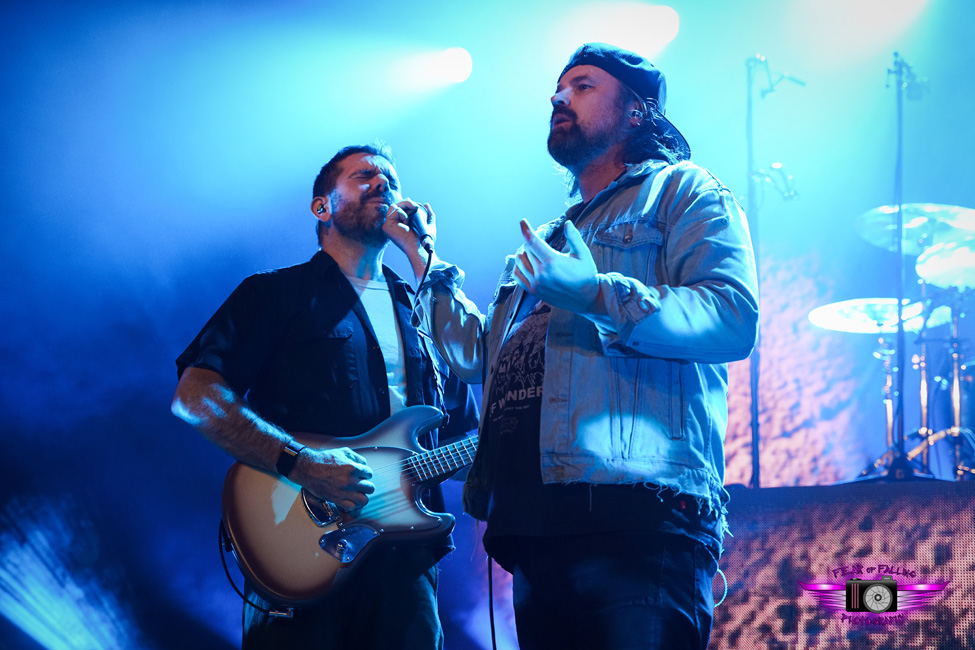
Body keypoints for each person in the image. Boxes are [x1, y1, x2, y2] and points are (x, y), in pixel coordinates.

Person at [386, 43, 759, 649]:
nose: (560, 97)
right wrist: (423, 259)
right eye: (557, 90)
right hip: (536, 528)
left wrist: (593, 293)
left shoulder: (682, 191)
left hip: (636, 521)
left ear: (636, 112)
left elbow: (731, 317)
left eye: (582, 86)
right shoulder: (556, 236)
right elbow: (481, 358)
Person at [171, 143, 478, 650]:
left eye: (392, 182)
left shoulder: (427, 310)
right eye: (365, 176)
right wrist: (300, 463)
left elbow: (466, 441)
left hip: (406, 559)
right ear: (322, 207)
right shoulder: (274, 294)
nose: (384, 185)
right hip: (295, 544)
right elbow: (195, 396)